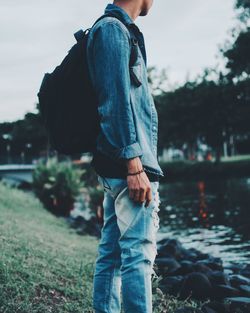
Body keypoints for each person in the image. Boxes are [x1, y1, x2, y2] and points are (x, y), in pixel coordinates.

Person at [87, 1, 165, 312]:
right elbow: (113, 103)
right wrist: (135, 166)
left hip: (120, 164)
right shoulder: (113, 31)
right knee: (137, 252)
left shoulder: (118, 31)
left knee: (114, 253)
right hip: (129, 165)